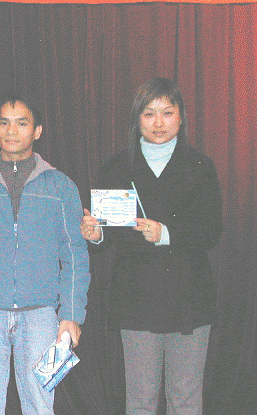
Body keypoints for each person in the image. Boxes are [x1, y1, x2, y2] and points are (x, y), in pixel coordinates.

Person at [80, 77, 223, 414]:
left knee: (185, 398)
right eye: (149, 113)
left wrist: (167, 234)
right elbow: (107, 236)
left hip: (188, 297)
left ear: (181, 117)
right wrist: (95, 234)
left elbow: (211, 231)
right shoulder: (117, 167)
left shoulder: (200, 167)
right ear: (137, 119)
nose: (159, 123)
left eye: (167, 113)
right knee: (140, 400)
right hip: (137, 298)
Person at [0, 94, 91, 415]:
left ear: (37, 130)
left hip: (42, 316)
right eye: (4, 123)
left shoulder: (61, 187)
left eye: (22, 123)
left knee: (41, 407)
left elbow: (75, 255)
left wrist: (71, 315)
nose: (12, 131)